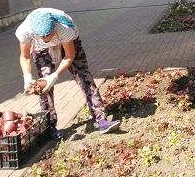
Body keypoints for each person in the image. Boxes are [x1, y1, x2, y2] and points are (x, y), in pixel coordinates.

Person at [16, 8, 120, 139]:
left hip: (69, 43)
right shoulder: (25, 30)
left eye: (48, 34)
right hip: (41, 49)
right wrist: (27, 77)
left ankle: (101, 120)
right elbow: (25, 56)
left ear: (54, 27)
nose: (46, 38)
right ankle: (50, 127)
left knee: (84, 76)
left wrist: (55, 75)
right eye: (42, 36)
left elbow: (70, 56)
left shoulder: (64, 27)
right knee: (43, 84)